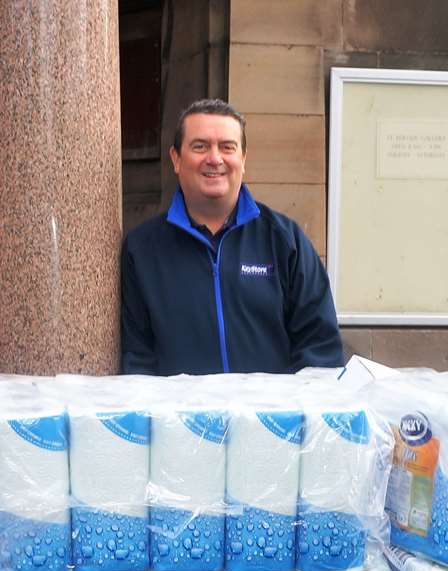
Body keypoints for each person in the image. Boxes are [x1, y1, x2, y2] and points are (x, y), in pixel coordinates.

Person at [120, 98, 344, 374]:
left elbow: (320, 351)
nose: (215, 159)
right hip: (182, 417)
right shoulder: (142, 250)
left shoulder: (286, 241)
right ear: (176, 159)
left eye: (227, 147)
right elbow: (138, 359)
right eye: (200, 146)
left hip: (270, 417)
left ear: (243, 159)